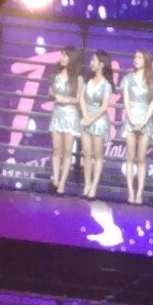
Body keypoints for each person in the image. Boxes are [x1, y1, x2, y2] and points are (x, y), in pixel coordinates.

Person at [120, 50, 153, 205]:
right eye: (135, 57)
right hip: (131, 121)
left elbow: (152, 103)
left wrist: (144, 122)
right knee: (130, 157)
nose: (136, 59)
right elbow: (126, 101)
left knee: (142, 158)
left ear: (146, 61)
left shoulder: (151, 81)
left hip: (145, 122)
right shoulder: (127, 79)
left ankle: (140, 193)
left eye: (139, 57)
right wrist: (131, 119)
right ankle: (130, 192)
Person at [48, 46, 85, 195]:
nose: (62, 58)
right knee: (56, 149)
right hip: (57, 114)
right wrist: (55, 96)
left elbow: (79, 99)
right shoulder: (56, 74)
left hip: (70, 115)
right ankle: (55, 180)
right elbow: (50, 92)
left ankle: (63, 183)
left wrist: (65, 99)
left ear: (72, 58)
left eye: (65, 56)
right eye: (62, 55)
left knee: (67, 151)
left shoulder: (78, 78)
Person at [79, 51, 115, 199]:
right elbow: (81, 99)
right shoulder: (87, 80)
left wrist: (91, 119)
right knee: (87, 154)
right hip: (86, 119)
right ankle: (87, 184)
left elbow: (104, 106)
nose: (91, 63)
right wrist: (85, 116)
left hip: (99, 121)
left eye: (94, 60)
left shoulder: (106, 85)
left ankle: (94, 186)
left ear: (101, 64)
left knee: (97, 156)